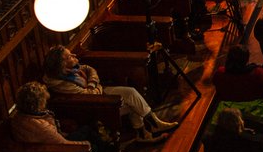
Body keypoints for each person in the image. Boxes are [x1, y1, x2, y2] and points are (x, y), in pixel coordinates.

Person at [43, 45, 178, 143]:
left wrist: (92, 82)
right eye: (70, 56)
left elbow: (90, 69)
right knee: (133, 103)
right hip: (94, 106)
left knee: (130, 93)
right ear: (62, 64)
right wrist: (93, 84)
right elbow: (89, 96)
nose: (74, 56)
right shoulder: (61, 83)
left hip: (100, 91)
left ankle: (151, 126)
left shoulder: (74, 70)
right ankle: (145, 132)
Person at [10, 81, 114, 152]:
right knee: (92, 148)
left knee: (87, 130)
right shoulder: (39, 126)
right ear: (37, 103)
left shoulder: (18, 116)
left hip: (46, 146)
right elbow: (64, 144)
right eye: (44, 101)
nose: (45, 103)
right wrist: (86, 145)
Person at [212, 45, 263, 126]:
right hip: (256, 115)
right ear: (246, 59)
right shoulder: (258, 74)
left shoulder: (220, 73)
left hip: (227, 115)